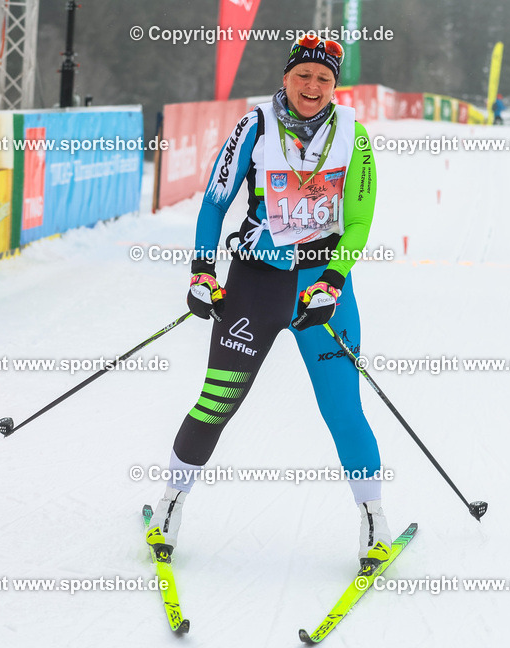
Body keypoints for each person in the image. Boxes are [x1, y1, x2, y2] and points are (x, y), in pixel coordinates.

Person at [147, 34, 393, 575]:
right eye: (303, 75)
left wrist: (331, 280)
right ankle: (170, 504)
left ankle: (373, 516)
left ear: (335, 85)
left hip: (321, 291)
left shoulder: (354, 135)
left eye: (324, 79)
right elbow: (214, 204)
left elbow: (358, 222)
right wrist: (202, 271)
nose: (312, 87)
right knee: (217, 400)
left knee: (342, 408)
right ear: (286, 76)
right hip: (256, 285)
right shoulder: (254, 127)